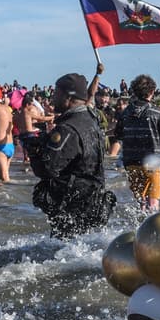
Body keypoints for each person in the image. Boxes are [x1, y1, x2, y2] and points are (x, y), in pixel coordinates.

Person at [22, 72, 114, 238]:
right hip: (94, 200)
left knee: (63, 254)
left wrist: (32, 149)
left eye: (56, 94)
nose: (52, 99)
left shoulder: (67, 128)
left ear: (68, 98)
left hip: (73, 204)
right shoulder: (91, 119)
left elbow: (46, 170)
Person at [112, 74, 160, 212]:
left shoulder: (125, 113)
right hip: (152, 162)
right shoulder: (157, 112)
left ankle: (138, 228)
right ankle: (151, 230)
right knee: (153, 203)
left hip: (131, 162)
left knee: (140, 202)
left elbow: (118, 135)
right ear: (152, 92)